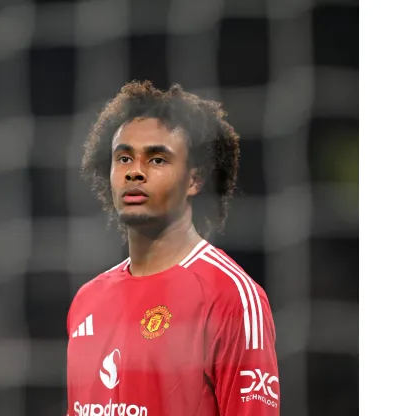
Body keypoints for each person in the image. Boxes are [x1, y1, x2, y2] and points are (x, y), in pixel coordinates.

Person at [66, 81, 280, 416]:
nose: (135, 172)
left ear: (195, 180)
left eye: (157, 159)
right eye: (123, 157)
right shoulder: (86, 301)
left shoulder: (232, 296)